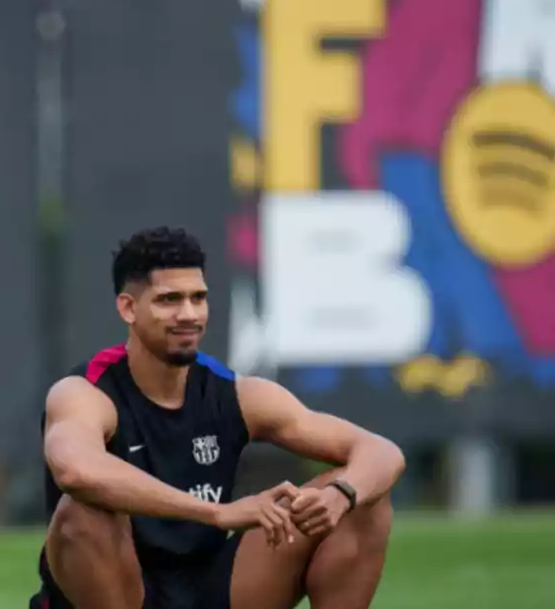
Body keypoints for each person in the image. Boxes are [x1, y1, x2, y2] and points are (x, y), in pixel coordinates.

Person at [31, 227, 405, 609]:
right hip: (122, 594)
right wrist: (216, 513)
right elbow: (75, 471)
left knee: (363, 493)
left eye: (198, 298)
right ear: (129, 308)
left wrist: (339, 497)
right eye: (169, 300)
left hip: (207, 589)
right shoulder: (85, 391)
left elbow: (382, 451)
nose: (189, 314)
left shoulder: (237, 393)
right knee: (81, 513)